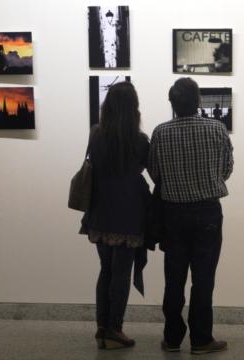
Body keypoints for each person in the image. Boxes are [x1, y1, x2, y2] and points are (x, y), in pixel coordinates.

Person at [148, 77, 234, 355]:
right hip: (208, 211)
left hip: (173, 214)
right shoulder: (216, 128)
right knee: (204, 278)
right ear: (198, 102)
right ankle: (201, 338)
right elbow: (227, 168)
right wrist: (207, 179)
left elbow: (155, 173)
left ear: (172, 103)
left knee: (174, 278)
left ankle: (172, 338)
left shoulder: (160, 132)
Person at [80, 81, 150, 350]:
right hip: (128, 215)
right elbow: (148, 169)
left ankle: (102, 327)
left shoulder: (96, 134)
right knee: (121, 273)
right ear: (134, 109)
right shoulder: (140, 141)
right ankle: (114, 329)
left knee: (106, 270)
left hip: (99, 212)